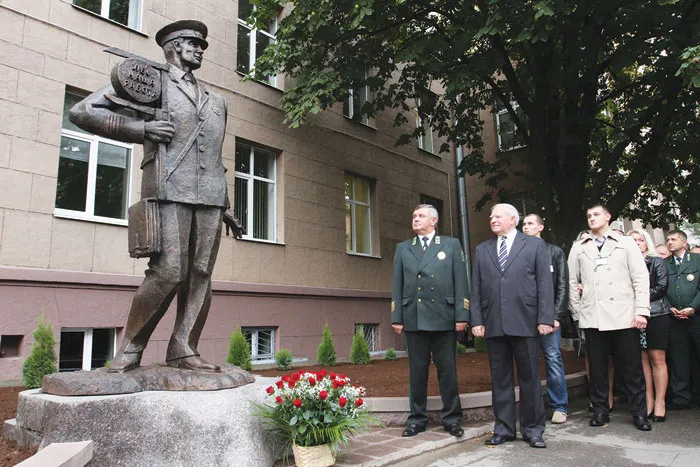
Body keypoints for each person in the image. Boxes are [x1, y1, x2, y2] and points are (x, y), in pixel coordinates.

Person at [69, 20, 244, 372]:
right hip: (167, 189)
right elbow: (83, 112)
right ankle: (130, 350)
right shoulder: (151, 81)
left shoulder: (217, 101)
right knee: (167, 272)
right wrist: (141, 128)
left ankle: (184, 348)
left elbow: (215, 158)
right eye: (193, 42)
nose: (200, 49)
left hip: (209, 196)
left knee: (200, 275)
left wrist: (225, 206)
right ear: (173, 46)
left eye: (202, 44)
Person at [471, 204, 554, 448]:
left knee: (530, 378)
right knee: (500, 379)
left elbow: (545, 284)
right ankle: (504, 428)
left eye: (497, 216)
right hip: (494, 322)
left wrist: (545, 318)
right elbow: (476, 287)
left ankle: (533, 429)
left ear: (512, 219)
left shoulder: (535, 245)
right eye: (491, 216)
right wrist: (477, 319)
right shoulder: (482, 249)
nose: (492, 219)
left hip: (526, 321)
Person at [568, 205, 651, 431]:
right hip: (593, 316)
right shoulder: (579, 247)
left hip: (624, 315)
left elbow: (640, 278)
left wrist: (641, 311)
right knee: (597, 369)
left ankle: (639, 413)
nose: (592, 219)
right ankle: (601, 410)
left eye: (596, 215)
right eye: (588, 216)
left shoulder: (625, 243)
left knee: (632, 368)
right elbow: (571, 282)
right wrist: (577, 312)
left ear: (608, 217)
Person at [391, 204, 469, 438]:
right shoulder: (403, 248)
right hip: (414, 316)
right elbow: (397, 284)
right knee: (417, 372)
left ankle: (452, 419)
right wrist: (397, 316)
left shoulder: (451, 245)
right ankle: (417, 419)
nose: (415, 219)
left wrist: (461, 315)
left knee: (448, 371)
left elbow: (461, 282)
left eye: (421, 216)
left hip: (444, 317)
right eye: (414, 215)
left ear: (434, 221)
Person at [522, 214, 569, 424]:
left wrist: (556, 315)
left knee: (552, 358)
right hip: (524, 317)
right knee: (528, 361)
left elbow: (562, 285)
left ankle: (559, 406)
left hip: (548, 316)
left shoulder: (554, 252)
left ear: (541, 227)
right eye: (523, 224)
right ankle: (533, 408)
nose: (526, 227)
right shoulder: (518, 252)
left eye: (530, 223)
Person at [628, 229, 671, 422]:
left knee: (657, 358)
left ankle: (661, 402)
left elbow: (661, 287)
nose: (637, 243)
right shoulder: (625, 263)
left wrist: (639, 300)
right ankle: (648, 400)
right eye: (633, 240)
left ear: (647, 243)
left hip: (657, 314)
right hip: (632, 316)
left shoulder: (656, 261)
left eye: (640, 240)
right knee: (642, 359)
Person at [665, 230, 700, 409]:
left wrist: (693, 307)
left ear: (684, 242)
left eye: (674, 239)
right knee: (679, 359)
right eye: (668, 239)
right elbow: (660, 288)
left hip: (696, 317)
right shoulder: (664, 264)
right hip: (675, 319)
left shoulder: (696, 261)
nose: (670, 242)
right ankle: (681, 398)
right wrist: (669, 307)